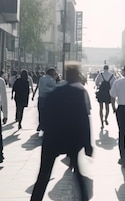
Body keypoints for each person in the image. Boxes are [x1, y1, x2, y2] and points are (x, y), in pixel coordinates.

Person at [30, 64, 93, 201]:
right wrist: (87, 144)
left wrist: (46, 132)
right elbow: (84, 119)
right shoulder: (78, 93)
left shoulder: (54, 92)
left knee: (43, 175)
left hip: (52, 139)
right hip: (72, 139)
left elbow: (44, 117)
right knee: (77, 173)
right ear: (77, 75)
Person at [32, 67, 57, 132]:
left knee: (41, 112)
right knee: (48, 113)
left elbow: (40, 87)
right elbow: (54, 88)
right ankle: (46, 125)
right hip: (49, 98)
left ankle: (41, 124)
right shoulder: (52, 80)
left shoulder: (42, 78)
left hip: (41, 97)